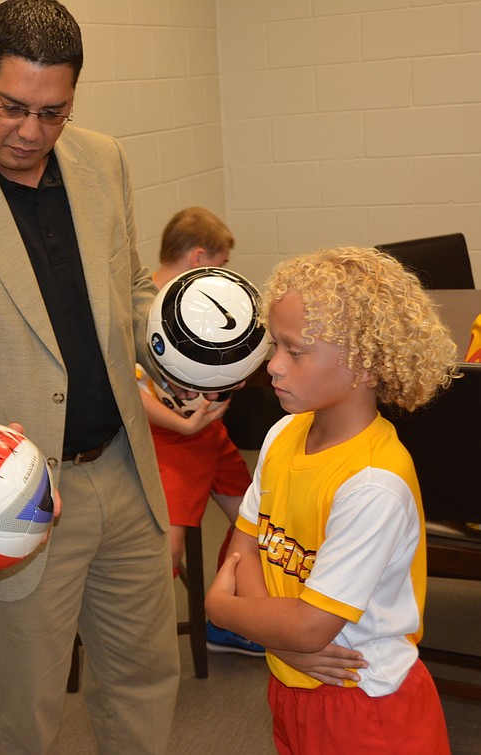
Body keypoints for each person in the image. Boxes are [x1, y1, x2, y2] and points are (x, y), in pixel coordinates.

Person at [0, 1, 179, 751]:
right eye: (11, 107)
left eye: (52, 112)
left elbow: (132, 293)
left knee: (146, 679)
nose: (30, 132)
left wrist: (183, 348)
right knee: (28, 712)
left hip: (123, 466)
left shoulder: (104, 158)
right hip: (12, 497)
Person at [206, 247, 456, 754]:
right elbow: (244, 547)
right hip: (293, 677)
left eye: (295, 351)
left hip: (363, 700)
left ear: (365, 365)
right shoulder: (284, 434)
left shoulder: (372, 484)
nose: (272, 366)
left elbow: (313, 626)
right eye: (274, 345)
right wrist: (282, 641)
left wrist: (221, 607)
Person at [137, 206, 264, 656]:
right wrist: (183, 423)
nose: (225, 275)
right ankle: (137, 646)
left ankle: (226, 616)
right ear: (198, 257)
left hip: (208, 434)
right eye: (221, 263)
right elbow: (132, 389)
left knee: (259, 522)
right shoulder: (145, 307)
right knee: (168, 551)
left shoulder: (202, 305)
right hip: (169, 440)